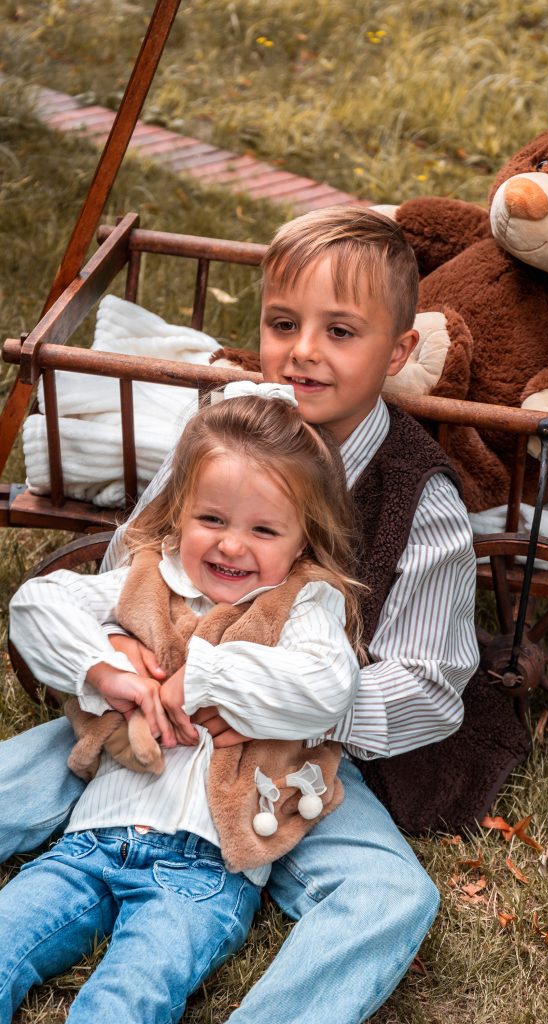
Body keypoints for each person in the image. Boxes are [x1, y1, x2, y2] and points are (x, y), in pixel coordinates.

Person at [0, 206, 478, 1023]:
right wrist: (127, 670)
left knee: (389, 895)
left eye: (340, 332)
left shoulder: (421, 497)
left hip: (296, 747)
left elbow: (429, 687)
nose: (304, 351)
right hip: (143, 714)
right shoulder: (223, 427)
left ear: (397, 352)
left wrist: (249, 700)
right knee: (22, 776)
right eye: (284, 323)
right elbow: (132, 563)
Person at [2, 385, 363, 1023]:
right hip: (87, 842)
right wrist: (108, 671)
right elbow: (37, 606)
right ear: (179, 515)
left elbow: (326, 686)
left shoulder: (306, 604)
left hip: (204, 870)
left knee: (125, 1000)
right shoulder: (150, 577)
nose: (231, 546)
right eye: (213, 520)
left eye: (263, 529)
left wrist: (199, 677)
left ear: (302, 540)